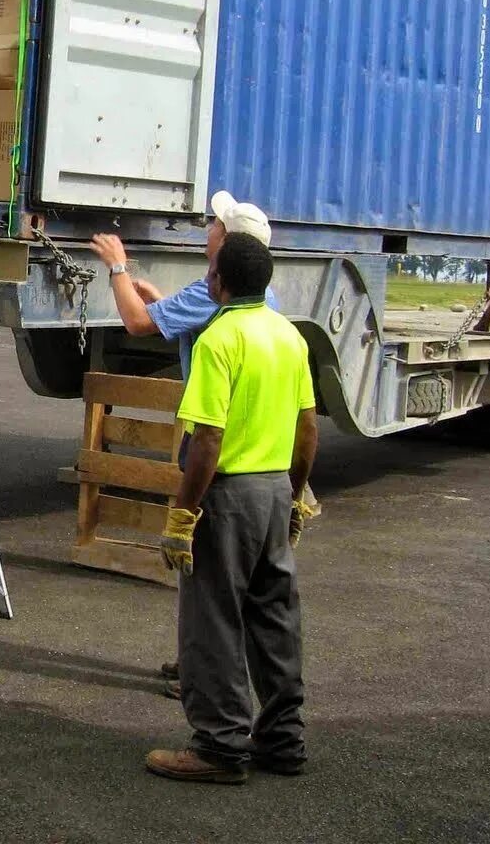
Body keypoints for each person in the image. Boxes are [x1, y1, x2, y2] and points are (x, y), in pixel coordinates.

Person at [90, 190, 282, 698]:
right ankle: (200, 662)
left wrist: (116, 267)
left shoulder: (214, 302)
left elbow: (136, 324)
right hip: (268, 466)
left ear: (226, 247)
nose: (206, 229)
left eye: (213, 225)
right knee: (243, 584)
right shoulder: (268, 307)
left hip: (219, 459)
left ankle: (207, 682)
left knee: (212, 580)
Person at [144, 232, 321, 784]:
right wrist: (295, 493)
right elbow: (308, 427)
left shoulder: (217, 340)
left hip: (228, 497)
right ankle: (281, 739)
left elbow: (208, 441)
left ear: (218, 281)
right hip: (273, 491)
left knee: (213, 620)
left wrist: (182, 513)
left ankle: (220, 747)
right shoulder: (289, 337)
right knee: (273, 616)